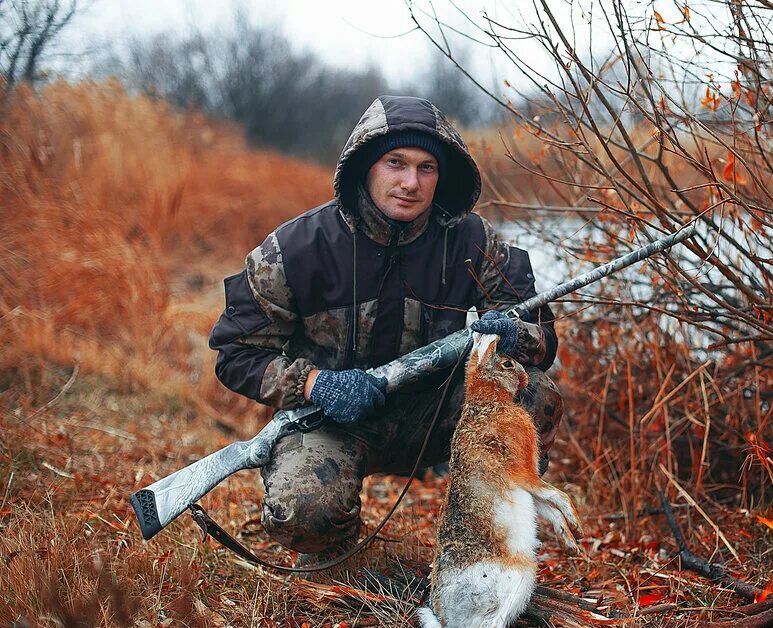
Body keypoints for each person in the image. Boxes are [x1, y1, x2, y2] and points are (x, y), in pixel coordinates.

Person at [208, 96, 562, 567]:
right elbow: (236, 352)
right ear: (364, 167)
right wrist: (317, 384)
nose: (410, 183)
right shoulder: (295, 248)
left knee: (532, 394)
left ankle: (485, 542)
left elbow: (540, 334)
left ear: (443, 176)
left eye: (427, 167)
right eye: (395, 162)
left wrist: (515, 337)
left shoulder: (473, 240)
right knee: (305, 511)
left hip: (434, 415)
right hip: (330, 420)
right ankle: (332, 550)